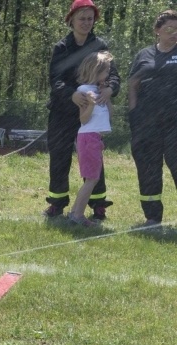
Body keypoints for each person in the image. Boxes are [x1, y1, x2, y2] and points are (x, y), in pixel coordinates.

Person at [44, 0, 119, 220]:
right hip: (63, 111)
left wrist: (110, 89)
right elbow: (54, 79)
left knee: (94, 157)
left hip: (91, 113)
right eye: (82, 18)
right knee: (59, 155)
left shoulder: (100, 45)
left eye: (90, 18)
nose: (86, 23)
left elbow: (113, 74)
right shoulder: (62, 47)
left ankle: (98, 204)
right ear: (71, 20)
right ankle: (57, 202)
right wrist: (71, 94)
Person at [128, 10, 177, 228]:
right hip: (146, 123)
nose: (174, 33)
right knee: (148, 169)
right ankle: (152, 218)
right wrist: (134, 112)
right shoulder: (144, 55)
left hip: (174, 123)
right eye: (169, 29)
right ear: (157, 31)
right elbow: (132, 84)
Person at [66, 51, 112, 227]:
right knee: (91, 179)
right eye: (105, 71)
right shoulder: (84, 91)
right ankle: (78, 215)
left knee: (92, 178)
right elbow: (83, 120)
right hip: (88, 137)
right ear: (96, 70)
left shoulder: (97, 90)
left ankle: (74, 213)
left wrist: (105, 95)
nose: (108, 75)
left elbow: (110, 115)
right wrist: (91, 105)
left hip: (95, 138)